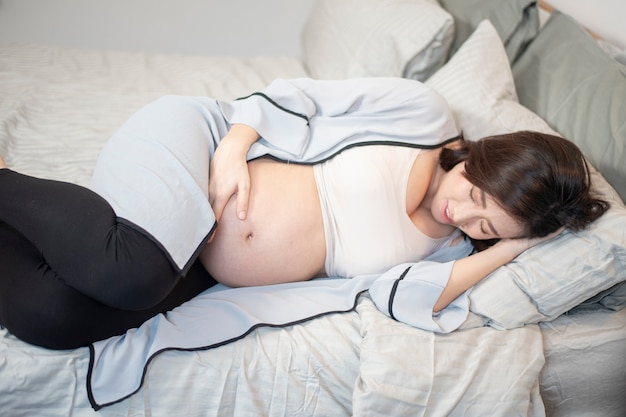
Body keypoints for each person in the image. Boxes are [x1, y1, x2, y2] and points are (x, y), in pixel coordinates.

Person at [0, 78, 608, 350]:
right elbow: (297, 96)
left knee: (60, 320)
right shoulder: (421, 116)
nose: (462, 214)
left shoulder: (447, 252)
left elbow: (411, 299)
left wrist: (515, 245)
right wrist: (234, 148)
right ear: (486, 155)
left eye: (484, 228)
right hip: (206, 154)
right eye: (476, 195)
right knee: (130, 274)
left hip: (205, 263)